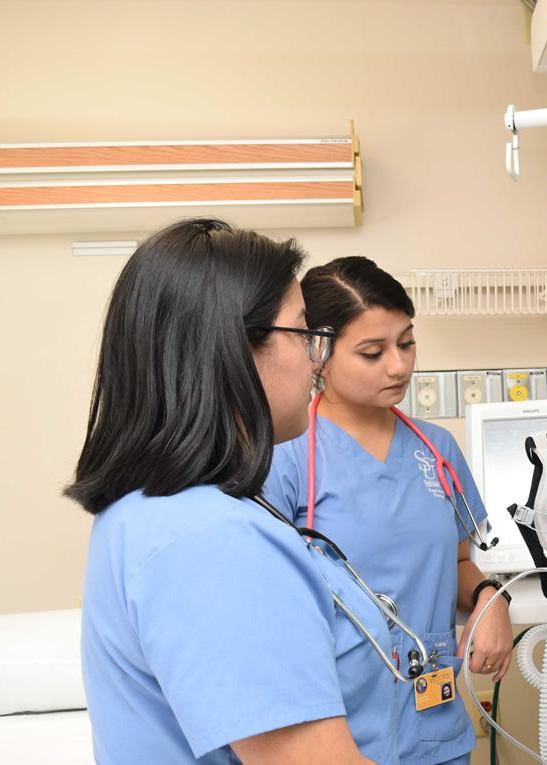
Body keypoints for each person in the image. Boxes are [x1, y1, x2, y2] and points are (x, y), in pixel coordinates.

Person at [72, 219, 404, 764]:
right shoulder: (214, 541)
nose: (316, 361)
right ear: (233, 348)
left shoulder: (150, 511)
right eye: (306, 335)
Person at [262, 256, 512, 765]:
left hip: (434, 721)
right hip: (333, 728)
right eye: (372, 352)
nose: (398, 366)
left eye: (406, 342)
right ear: (318, 352)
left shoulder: (436, 449)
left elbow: (458, 565)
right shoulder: (285, 456)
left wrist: (491, 600)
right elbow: (267, 607)